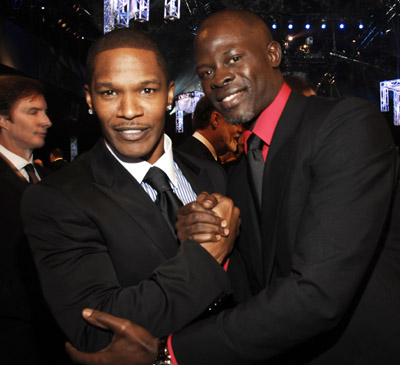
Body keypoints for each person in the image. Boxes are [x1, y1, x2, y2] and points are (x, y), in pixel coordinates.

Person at [65, 9, 400, 365]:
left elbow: (318, 294)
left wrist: (167, 352)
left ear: (273, 54)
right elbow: (252, 285)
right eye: (206, 72)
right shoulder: (237, 172)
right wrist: (207, 242)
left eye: (233, 59)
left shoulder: (343, 126)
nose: (219, 78)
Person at [21, 27, 240, 354]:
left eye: (146, 90)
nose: (128, 111)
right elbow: (96, 331)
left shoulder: (210, 174)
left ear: (169, 96)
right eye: (109, 93)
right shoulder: (56, 198)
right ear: (90, 99)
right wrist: (206, 257)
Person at [0, 75, 70, 363]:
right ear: (3, 119)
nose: (47, 121)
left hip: (57, 332)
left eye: (45, 111)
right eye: (33, 112)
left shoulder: (51, 179)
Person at [178, 95, 243, 163]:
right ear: (216, 119)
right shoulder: (192, 162)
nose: (240, 130)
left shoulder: (199, 157)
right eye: (236, 123)